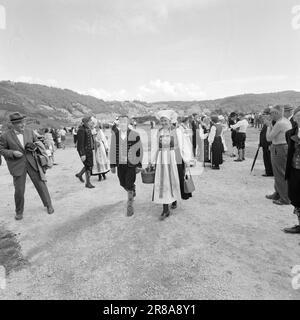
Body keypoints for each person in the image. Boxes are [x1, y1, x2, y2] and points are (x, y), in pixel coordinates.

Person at [0, 112, 54, 220]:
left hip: (32, 163)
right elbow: (2, 149)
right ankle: (19, 211)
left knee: (41, 184)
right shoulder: (5, 136)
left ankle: (49, 205)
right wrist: (12, 153)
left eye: (23, 122)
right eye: (19, 123)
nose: (22, 125)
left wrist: (34, 146)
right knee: (19, 190)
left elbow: (37, 142)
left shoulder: (30, 132)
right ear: (13, 124)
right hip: (17, 165)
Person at [151, 110, 193, 220]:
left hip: (174, 159)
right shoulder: (157, 132)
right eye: (162, 120)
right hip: (161, 159)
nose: (163, 122)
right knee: (163, 182)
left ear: (170, 121)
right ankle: (165, 209)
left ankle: (173, 199)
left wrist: (187, 159)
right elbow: (155, 147)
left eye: (165, 120)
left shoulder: (178, 131)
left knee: (174, 180)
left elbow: (184, 145)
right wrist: (152, 161)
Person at [109, 115, 143, 217]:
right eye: (121, 121)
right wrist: (112, 165)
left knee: (128, 183)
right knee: (122, 183)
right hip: (120, 165)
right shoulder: (115, 135)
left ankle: (130, 206)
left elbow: (139, 151)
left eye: (125, 121)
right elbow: (113, 150)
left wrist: (139, 165)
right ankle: (132, 190)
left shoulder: (135, 134)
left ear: (128, 123)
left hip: (131, 164)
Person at [265, 105, 292, 205]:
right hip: (280, 147)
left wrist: (268, 126)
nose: (270, 115)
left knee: (280, 173)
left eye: (272, 113)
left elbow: (269, 138)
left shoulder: (280, 123)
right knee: (278, 173)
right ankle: (278, 193)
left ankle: (284, 198)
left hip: (279, 148)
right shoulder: (284, 121)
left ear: (276, 113)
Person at [284, 106, 300, 233]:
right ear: (295, 117)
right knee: (294, 196)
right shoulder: (290, 133)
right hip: (294, 170)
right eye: (298, 116)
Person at [76, 116, 95, 189]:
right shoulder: (81, 130)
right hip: (85, 151)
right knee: (88, 166)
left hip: (89, 150)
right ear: (86, 122)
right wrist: (82, 154)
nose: (91, 122)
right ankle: (88, 183)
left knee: (89, 165)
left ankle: (80, 175)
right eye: (90, 121)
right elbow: (80, 144)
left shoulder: (88, 129)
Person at [259, 108, 273, 177]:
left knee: (268, 158)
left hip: (268, 144)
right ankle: (268, 170)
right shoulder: (266, 122)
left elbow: (272, 134)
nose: (263, 116)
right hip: (264, 144)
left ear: (269, 114)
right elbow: (263, 133)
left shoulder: (271, 122)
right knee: (266, 158)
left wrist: (270, 144)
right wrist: (260, 143)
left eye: (264, 114)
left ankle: (269, 172)